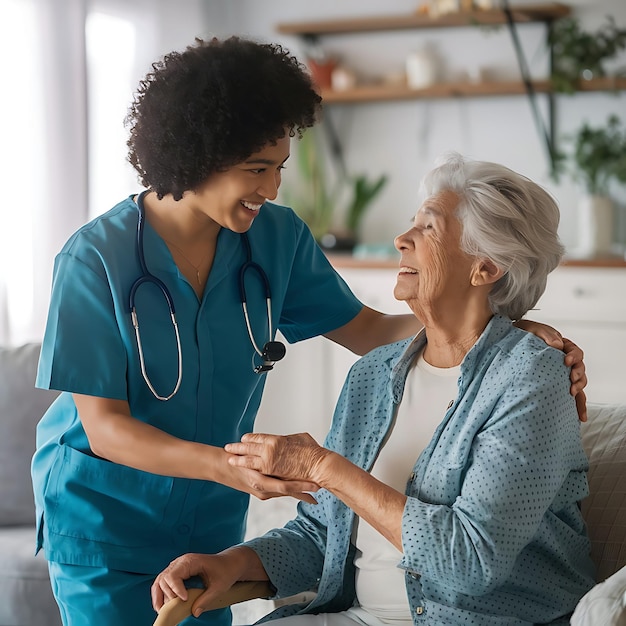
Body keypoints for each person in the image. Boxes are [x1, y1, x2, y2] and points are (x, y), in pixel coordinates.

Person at [31, 36, 584, 626]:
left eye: (279, 169)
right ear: (198, 156)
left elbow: (371, 329)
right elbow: (106, 429)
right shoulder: (95, 259)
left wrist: (504, 328)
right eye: (256, 169)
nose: (271, 189)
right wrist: (229, 467)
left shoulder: (275, 239)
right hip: (103, 513)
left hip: (210, 518)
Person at [153, 153, 596, 626]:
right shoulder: (375, 374)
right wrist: (231, 564)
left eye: (427, 228)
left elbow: (472, 560)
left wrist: (324, 467)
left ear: (485, 268)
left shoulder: (529, 380)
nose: (400, 240)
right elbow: (325, 532)